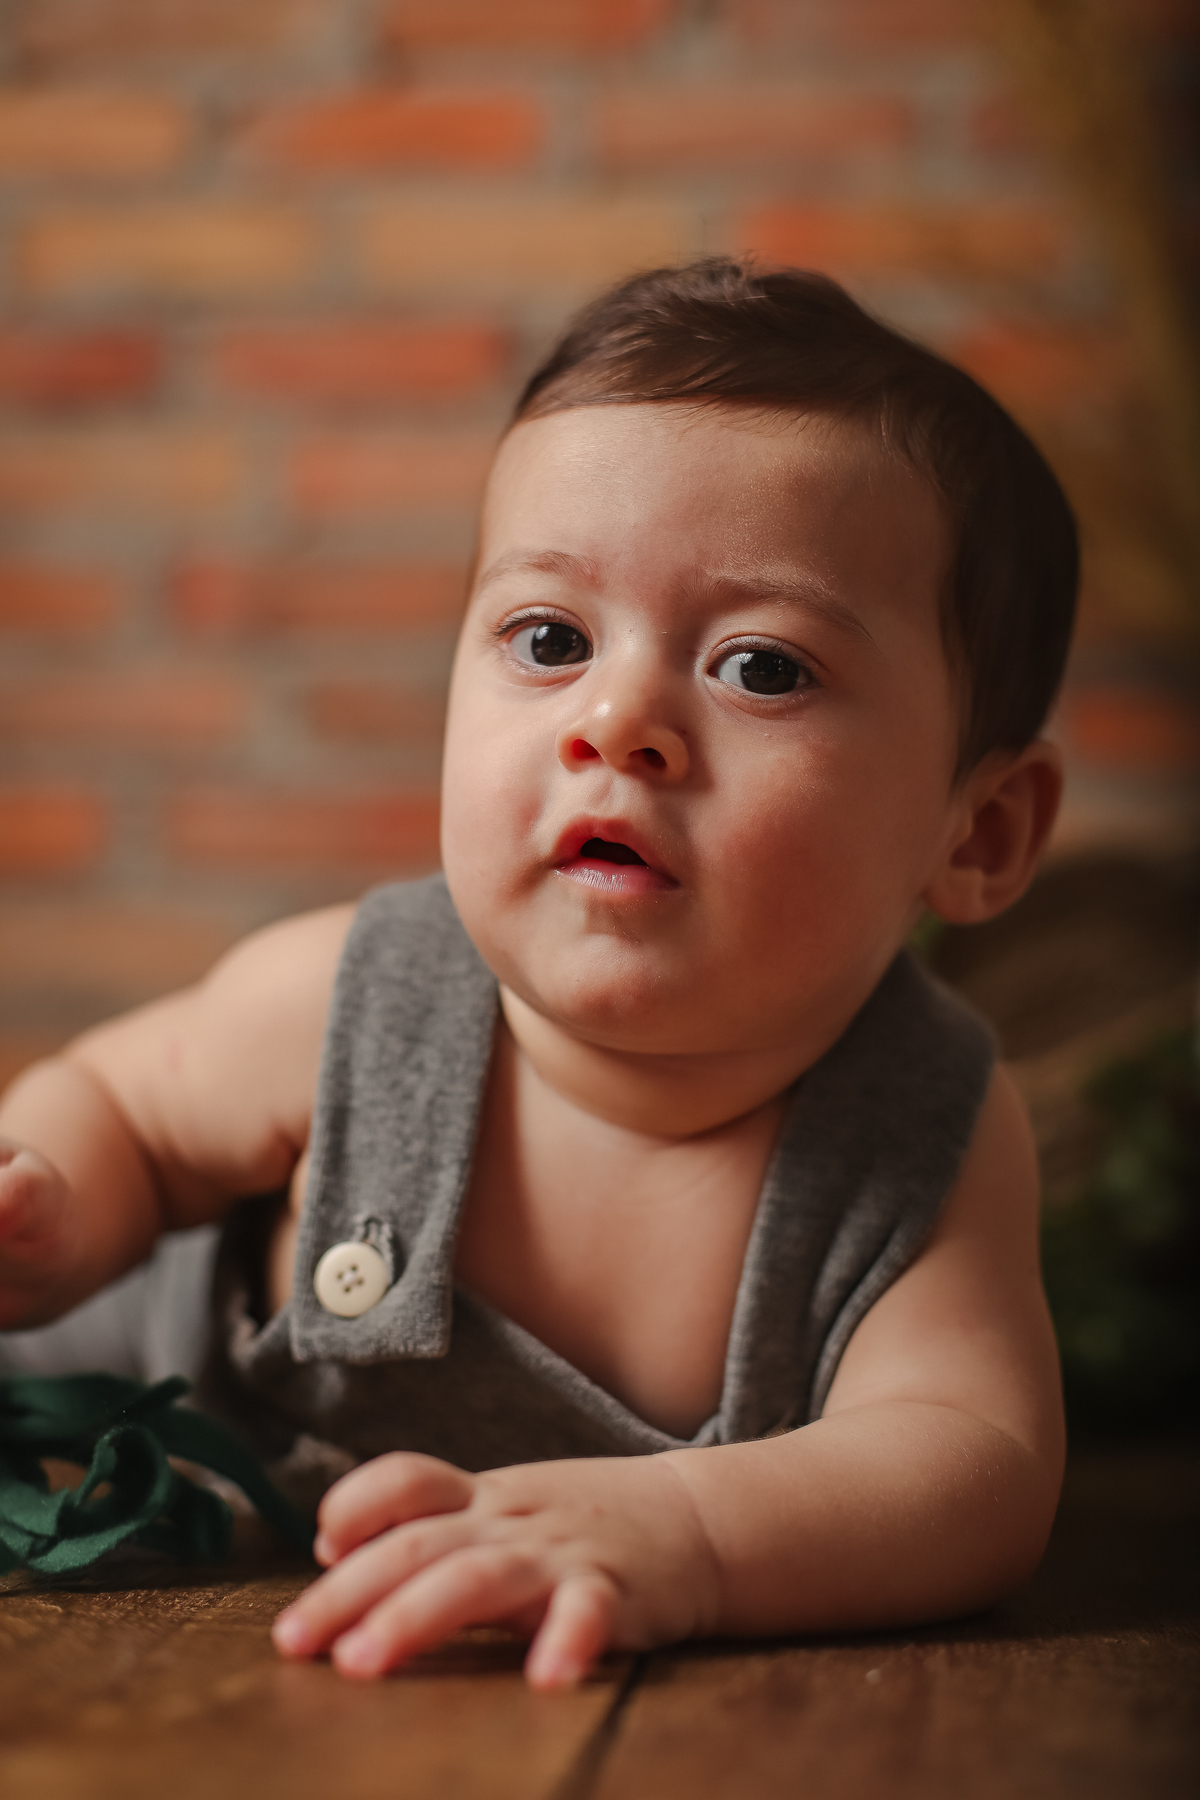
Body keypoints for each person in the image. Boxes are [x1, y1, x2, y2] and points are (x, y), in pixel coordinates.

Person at [0, 261, 1075, 1689]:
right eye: (552, 640)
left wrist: (686, 1532)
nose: (617, 720)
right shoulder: (349, 1002)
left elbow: (972, 1459)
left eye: (762, 668)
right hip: (88, 1439)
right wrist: (48, 1211)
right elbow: (118, 1112)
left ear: (978, 830)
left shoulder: (921, 1132)